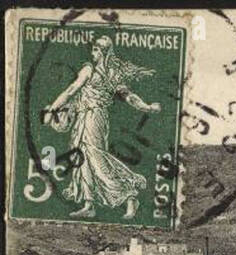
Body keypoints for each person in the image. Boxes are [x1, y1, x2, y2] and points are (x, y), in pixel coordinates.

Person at [43, 36, 161, 219]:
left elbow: (128, 96)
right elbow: (72, 90)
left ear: (104, 52)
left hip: (95, 118)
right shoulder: (97, 71)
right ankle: (89, 204)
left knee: (96, 158)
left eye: (97, 49)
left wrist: (147, 107)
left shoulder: (99, 72)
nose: (93, 52)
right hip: (84, 117)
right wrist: (147, 107)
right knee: (82, 158)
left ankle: (130, 195)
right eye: (93, 49)